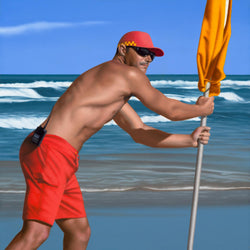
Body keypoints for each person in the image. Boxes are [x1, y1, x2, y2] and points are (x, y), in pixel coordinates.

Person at [6, 31, 214, 250]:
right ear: (123, 49)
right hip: (52, 153)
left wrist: (189, 140)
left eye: (153, 55)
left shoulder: (109, 87)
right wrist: (199, 109)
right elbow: (169, 110)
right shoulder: (127, 75)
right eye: (143, 52)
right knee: (37, 232)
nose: (149, 59)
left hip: (53, 153)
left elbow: (140, 131)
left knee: (79, 232)